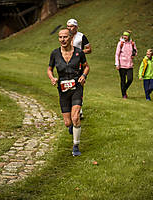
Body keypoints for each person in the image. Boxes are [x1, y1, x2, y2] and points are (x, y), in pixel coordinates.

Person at [47, 28, 90, 156]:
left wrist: (84, 76)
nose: (62, 40)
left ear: (71, 38)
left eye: (65, 37)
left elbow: (86, 66)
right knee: (68, 122)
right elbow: (49, 69)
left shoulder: (79, 53)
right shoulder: (55, 53)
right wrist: (52, 78)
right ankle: (72, 126)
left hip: (77, 86)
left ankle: (76, 146)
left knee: (75, 117)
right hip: (63, 89)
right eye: (60, 37)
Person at [67, 18, 91, 119]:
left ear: (76, 27)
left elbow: (89, 49)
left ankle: (79, 109)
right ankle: (70, 106)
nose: (69, 28)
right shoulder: (66, 36)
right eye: (68, 26)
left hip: (79, 63)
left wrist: (79, 52)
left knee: (79, 84)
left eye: (71, 26)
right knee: (68, 84)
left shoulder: (81, 37)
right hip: (67, 64)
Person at [115, 31, 137, 98]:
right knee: (123, 80)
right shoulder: (120, 43)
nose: (125, 37)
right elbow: (117, 54)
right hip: (122, 65)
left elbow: (135, 52)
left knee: (130, 79)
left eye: (126, 36)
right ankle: (124, 94)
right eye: (124, 35)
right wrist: (117, 64)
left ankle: (124, 89)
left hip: (130, 64)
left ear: (129, 36)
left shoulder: (132, 43)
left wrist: (134, 54)